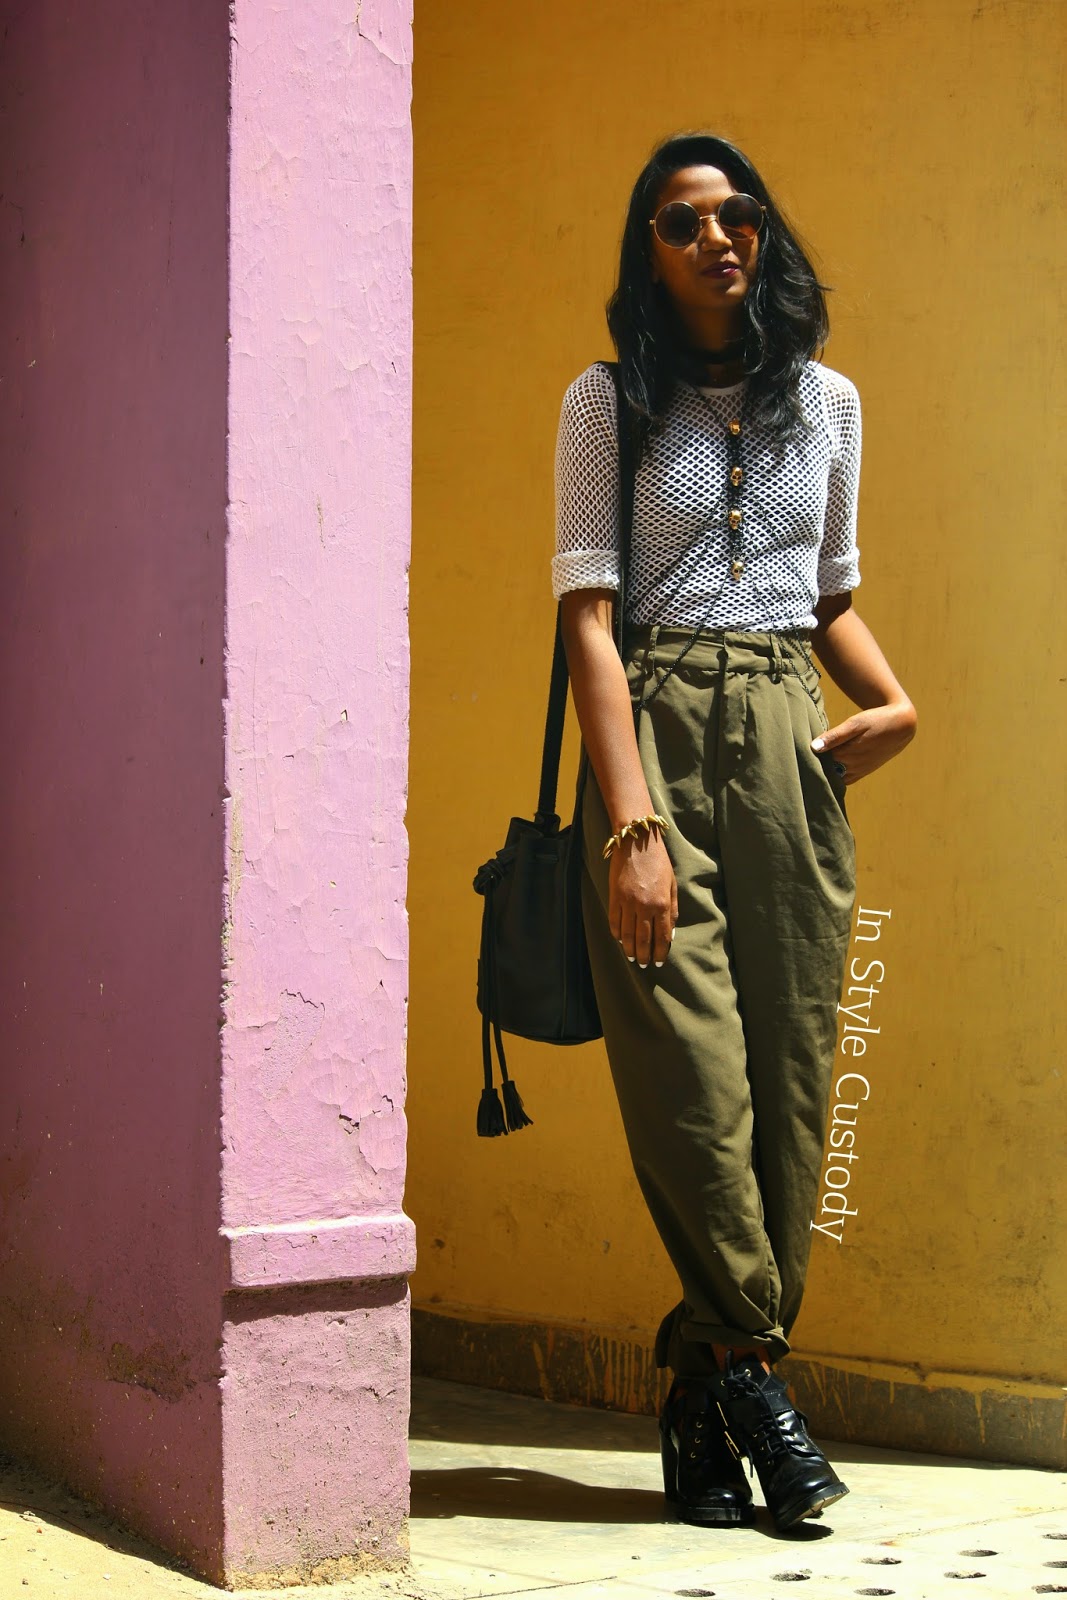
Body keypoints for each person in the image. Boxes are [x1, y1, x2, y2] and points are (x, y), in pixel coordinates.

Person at [554, 132, 916, 1533]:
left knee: (795, 1083)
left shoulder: (831, 403)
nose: (717, 237)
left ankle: (704, 1391)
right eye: (681, 220)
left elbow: (829, 597)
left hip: (787, 741)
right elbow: (590, 621)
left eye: (738, 214)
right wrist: (629, 824)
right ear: (648, 252)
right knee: (694, 1086)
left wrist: (891, 704)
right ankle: (759, 1377)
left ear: (765, 236)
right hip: (654, 736)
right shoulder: (610, 402)